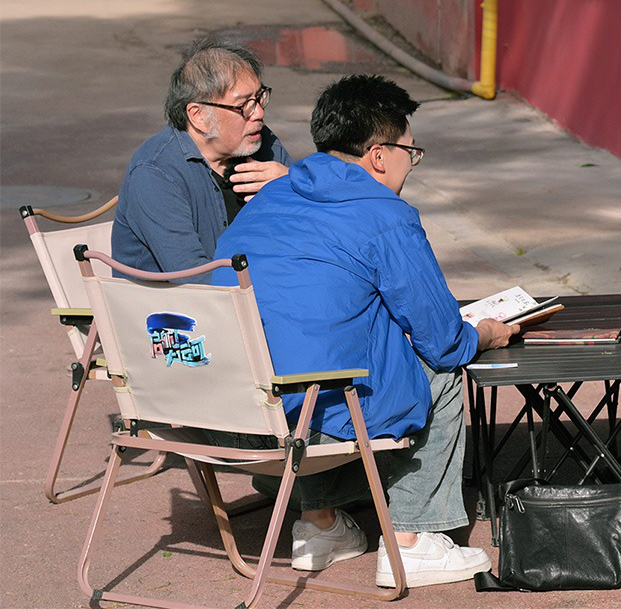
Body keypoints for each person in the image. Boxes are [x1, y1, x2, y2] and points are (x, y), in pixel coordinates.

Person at [213, 74, 518, 587]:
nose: (410, 165)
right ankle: (412, 540)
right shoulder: (385, 214)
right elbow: (443, 341)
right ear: (379, 155)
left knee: (324, 346)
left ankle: (319, 525)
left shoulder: (269, 197)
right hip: (307, 419)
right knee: (438, 373)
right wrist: (485, 333)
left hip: (229, 411)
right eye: (410, 153)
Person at [113, 36, 291, 280]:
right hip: (175, 301)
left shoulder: (261, 144)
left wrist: (294, 186)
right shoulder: (156, 173)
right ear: (198, 116)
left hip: (257, 289)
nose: (259, 112)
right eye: (244, 105)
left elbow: (314, 236)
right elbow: (193, 277)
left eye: (260, 98)